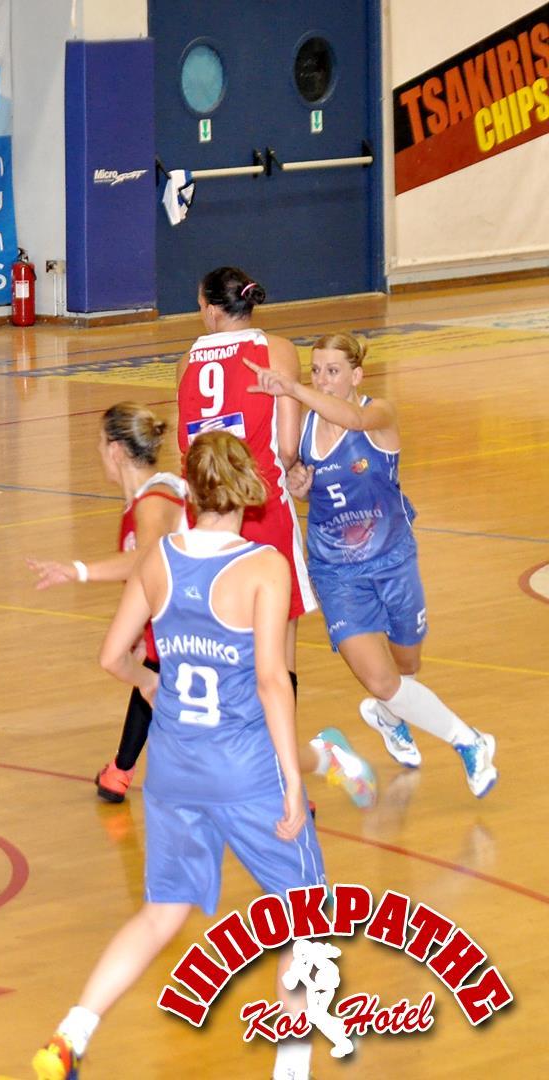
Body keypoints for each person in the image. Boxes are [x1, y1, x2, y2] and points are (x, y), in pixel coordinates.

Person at [32, 432, 327, 1080]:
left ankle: (71, 1034)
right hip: (242, 766)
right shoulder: (264, 566)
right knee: (304, 920)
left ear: (189, 489)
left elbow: (112, 655)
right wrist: (290, 781)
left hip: (172, 768)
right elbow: (273, 682)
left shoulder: (159, 559)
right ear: (248, 487)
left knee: (160, 913)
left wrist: (149, 683)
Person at [246, 333, 498, 797]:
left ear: (356, 375)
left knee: (406, 666)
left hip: (393, 560)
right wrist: (302, 488)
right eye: (315, 370)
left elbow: (354, 419)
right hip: (337, 572)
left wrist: (292, 388)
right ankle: (470, 741)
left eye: (333, 371)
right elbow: (311, 488)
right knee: (382, 680)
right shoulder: (303, 430)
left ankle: (388, 716)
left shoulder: (378, 413)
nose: (323, 379)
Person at [177, 267, 375, 810]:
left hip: (208, 516)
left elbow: (186, 451)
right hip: (262, 510)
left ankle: (276, 773)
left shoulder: (186, 361)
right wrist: (291, 471)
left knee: (224, 648)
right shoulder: (278, 350)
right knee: (276, 658)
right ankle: (296, 769)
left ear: (208, 308)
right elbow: (287, 447)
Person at [27, 403, 186, 802]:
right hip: (171, 620)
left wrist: (78, 571)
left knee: (161, 686)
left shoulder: (156, 499)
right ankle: (121, 770)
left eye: (100, 444)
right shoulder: (142, 500)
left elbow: (147, 559)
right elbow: (144, 575)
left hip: (201, 621)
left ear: (115, 450)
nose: (99, 452)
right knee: (148, 674)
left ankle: (300, 772)